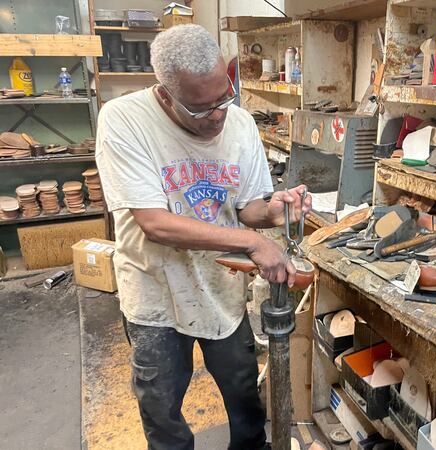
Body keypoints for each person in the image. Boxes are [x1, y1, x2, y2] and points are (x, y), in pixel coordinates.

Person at [95, 24, 311, 450]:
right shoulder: (123, 121)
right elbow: (155, 223)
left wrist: (274, 210)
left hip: (221, 287)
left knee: (245, 397)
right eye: (200, 108)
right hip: (155, 289)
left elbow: (247, 206)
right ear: (164, 95)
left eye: (223, 99)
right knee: (162, 409)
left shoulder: (242, 124)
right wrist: (251, 242)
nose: (217, 116)